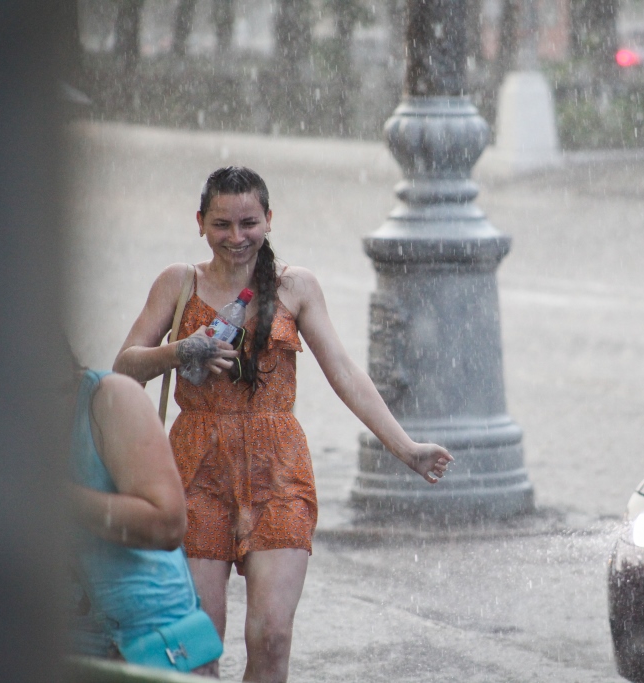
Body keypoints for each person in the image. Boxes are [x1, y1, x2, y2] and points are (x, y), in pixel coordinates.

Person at [112, 166, 453, 682]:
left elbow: (344, 373)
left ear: (269, 219)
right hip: (195, 470)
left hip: (279, 471)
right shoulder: (178, 283)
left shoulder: (297, 286)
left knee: (271, 637)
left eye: (248, 222)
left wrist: (406, 448)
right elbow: (123, 369)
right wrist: (181, 350)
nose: (236, 237)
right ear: (200, 223)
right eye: (222, 224)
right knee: (199, 645)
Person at [69, 366, 220, 675]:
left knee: (270, 636)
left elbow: (167, 525)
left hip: (148, 647)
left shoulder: (109, 397)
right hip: (51, 647)